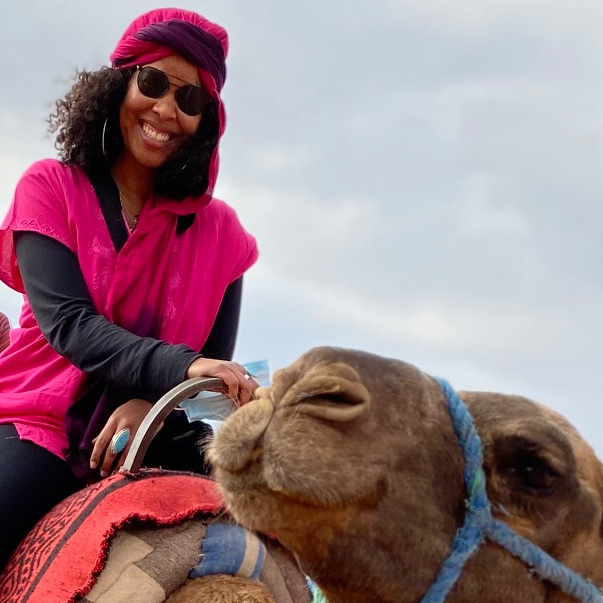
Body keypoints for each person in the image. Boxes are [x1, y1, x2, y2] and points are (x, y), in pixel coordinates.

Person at [0, 8, 259, 571]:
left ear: (205, 121)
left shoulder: (224, 236)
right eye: (154, 82)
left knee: (273, 533)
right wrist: (181, 367)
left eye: (190, 99)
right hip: (42, 422)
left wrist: (150, 408)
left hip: (156, 433)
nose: (166, 109)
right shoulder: (49, 187)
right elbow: (70, 325)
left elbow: (211, 374)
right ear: (120, 83)